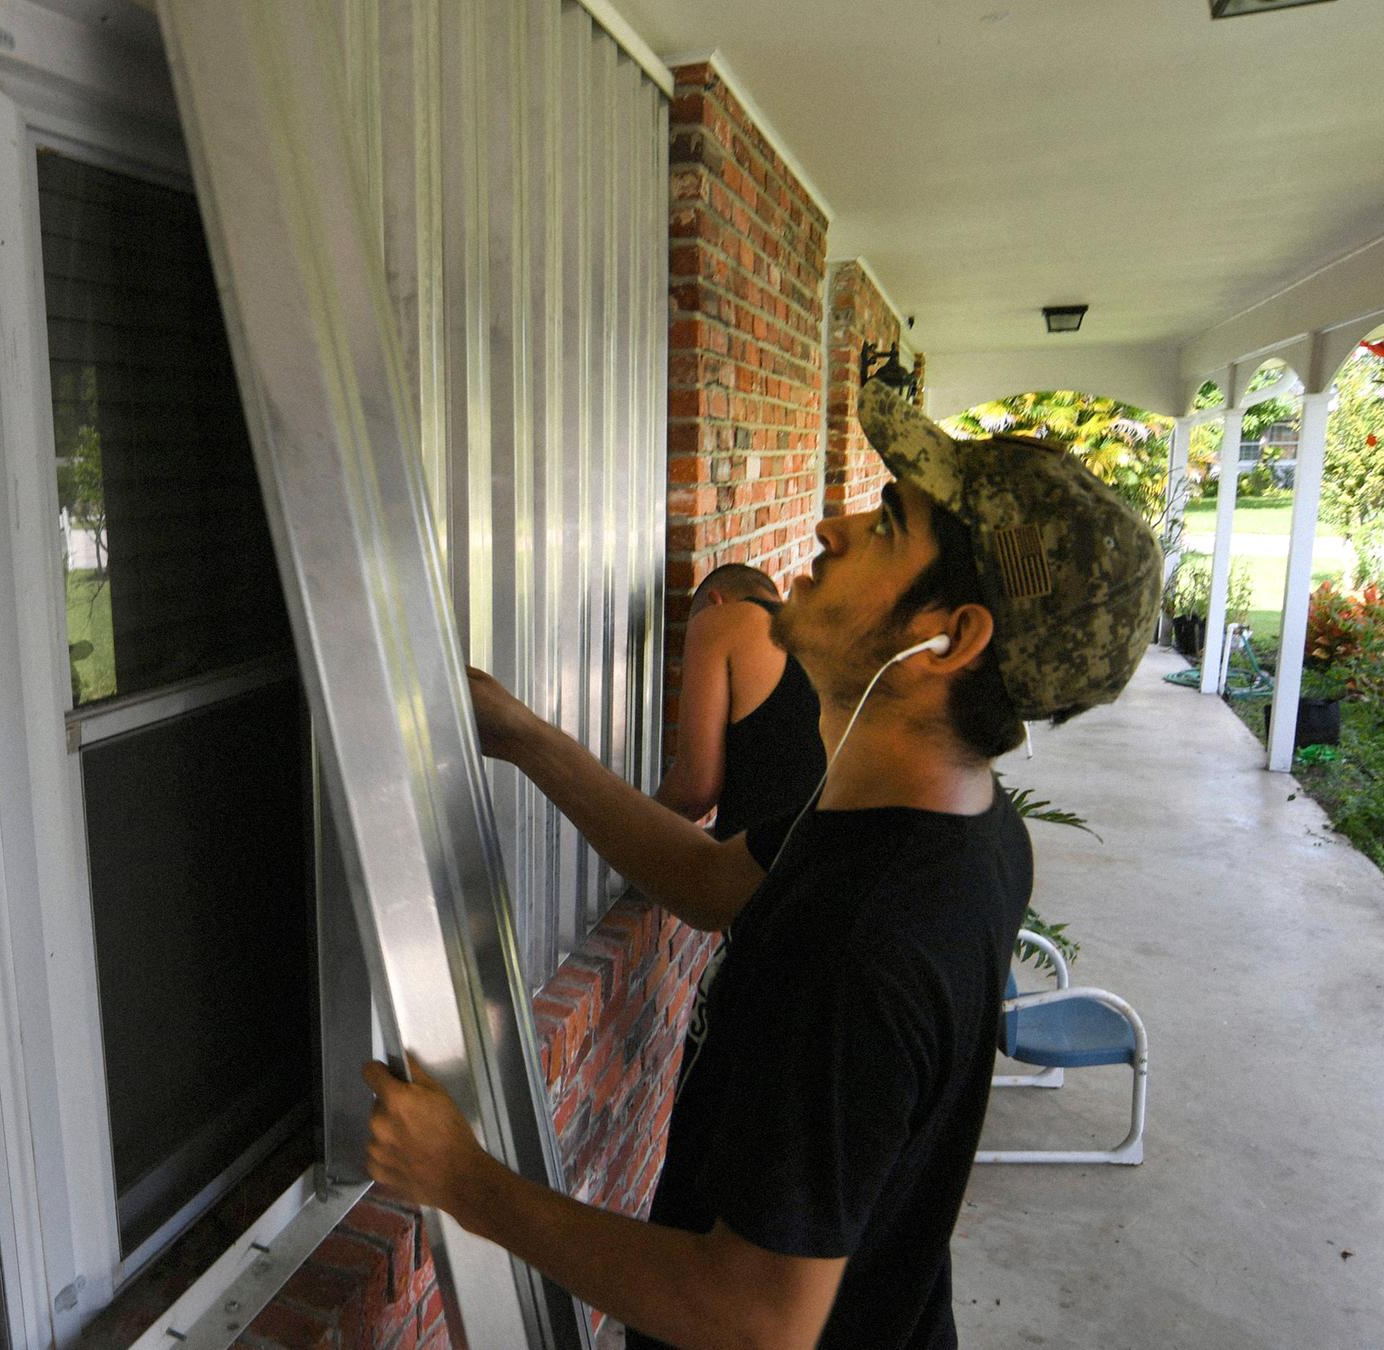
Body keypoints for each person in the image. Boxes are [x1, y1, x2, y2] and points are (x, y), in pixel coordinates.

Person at [360, 353, 1159, 1350]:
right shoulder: (950, 824)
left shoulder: (861, 940)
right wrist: (527, 738)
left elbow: (755, 1319)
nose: (834, 526)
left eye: (888, 525)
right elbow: (704, 880)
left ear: (948, 641)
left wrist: (462, 1181)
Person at [653, 563, 827, 841]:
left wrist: (623, 834)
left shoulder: (722, 620)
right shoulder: (821, 634)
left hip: (766, 872)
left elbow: (694, 790)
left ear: (715, 601)